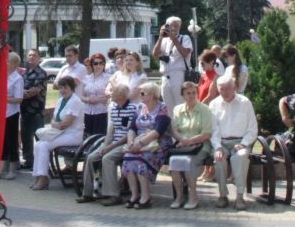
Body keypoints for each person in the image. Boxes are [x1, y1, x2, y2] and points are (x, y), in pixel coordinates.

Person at [77, 85, 139, 204]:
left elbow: (131, 133)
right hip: (113, 143)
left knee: (107, 158)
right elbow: (110, 132)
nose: (111, 94)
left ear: (121, 95)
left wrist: (110, 147)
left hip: (126, 143)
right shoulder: (114, 109)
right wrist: (105, 146)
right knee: (92, 157)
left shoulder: (133, 109)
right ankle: (91, 192)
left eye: (113, 92)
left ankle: (114, 195)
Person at [119, 81, 172, 209]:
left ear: (152, 95)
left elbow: (158, 131)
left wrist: (141, 143)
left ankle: (146, 197)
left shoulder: (162, 108)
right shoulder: (139, 108)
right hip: (138, 142)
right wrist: (131, 142)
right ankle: (134, 195)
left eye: (143, 93)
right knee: (128, 159)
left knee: (141, 161)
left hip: (156, 144)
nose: (140, 95)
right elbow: (132, 128)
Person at [210, 74, 259, 210]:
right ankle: (222, 195)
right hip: (222, 142)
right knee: (218, 159)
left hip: (241, 141)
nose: (224, 92)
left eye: (227, 89)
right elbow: (213, 130)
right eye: (221, 89)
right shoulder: (213, 104)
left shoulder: (245, 102)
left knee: (241, 157)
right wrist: (218, 147)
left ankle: (239, 196)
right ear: (218, 89)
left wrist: (244, 143)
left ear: (234, 88)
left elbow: (252, 129)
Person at [30, 75, 85, 190]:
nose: (62, 90)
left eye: (65, 87)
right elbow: (55, 121)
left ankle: (43, 179)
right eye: (61, 87)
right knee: (38, 144)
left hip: (73, 135)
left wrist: (55, 124)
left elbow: (65, 124)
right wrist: (56, 124)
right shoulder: (60, 100)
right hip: (60, 133)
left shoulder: (75, 101)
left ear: (72, 88)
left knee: (44, 146)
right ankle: (38, 176)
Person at [168, 80, 214, 209]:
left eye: (194, 92)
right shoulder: (177, 109)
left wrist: (189, 141)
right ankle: (179, 196)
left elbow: (207, 134)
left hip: (200, 146)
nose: (192, 95)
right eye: (188, 93)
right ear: (182, 95)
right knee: (173, 162)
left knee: (189, 162)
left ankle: (193, 196)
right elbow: (174, 130)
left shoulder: (204, 109)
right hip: (183, 146)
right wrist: (182, 140)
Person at [152, 17, 193, 115]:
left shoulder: (184, 38)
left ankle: (183, 122)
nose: (173, 28)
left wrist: (174, 39)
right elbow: (155, 54)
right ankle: (172, 124)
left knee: (181, 103)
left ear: (180, 27)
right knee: (168, 105)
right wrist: (160, 37)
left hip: (179, 74)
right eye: (170, 26)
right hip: (165, 76)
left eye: (176, 26)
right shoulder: (164, 41)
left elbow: (185, 53)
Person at [20, 49, 48, 170]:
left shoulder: (41, 73)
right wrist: (21, 92)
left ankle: (41, 164)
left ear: (39, 59)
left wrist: (18, 94)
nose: (32, 57)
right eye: (30, 55)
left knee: (39, 138)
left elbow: (34, 91)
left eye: (34, 55)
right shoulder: (24, 73)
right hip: (24, 110)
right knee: (26, 138)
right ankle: (29, 162)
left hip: (37, 112)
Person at [0, 52, 24, 180]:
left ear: (13, 64)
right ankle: (2, 168)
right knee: (2, 140)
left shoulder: (18, 79)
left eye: (7, 60)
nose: (4, 62)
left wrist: (4, 98)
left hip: (12, 113)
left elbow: (19, 98)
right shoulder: (2, 75)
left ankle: (13, 169)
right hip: (1, 112)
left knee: (12, 140)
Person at [81, 53, 111, 137]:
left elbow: (110, 95)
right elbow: (81, 95)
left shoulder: (109, 78)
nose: (98, 65)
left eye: (101, 63)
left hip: (102, 112)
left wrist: (97, 100)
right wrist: (88, 100)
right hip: (87, 112)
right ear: (92, 65)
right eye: (96, 63)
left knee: (99, 137)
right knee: (86, 137)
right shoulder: (86, 78)